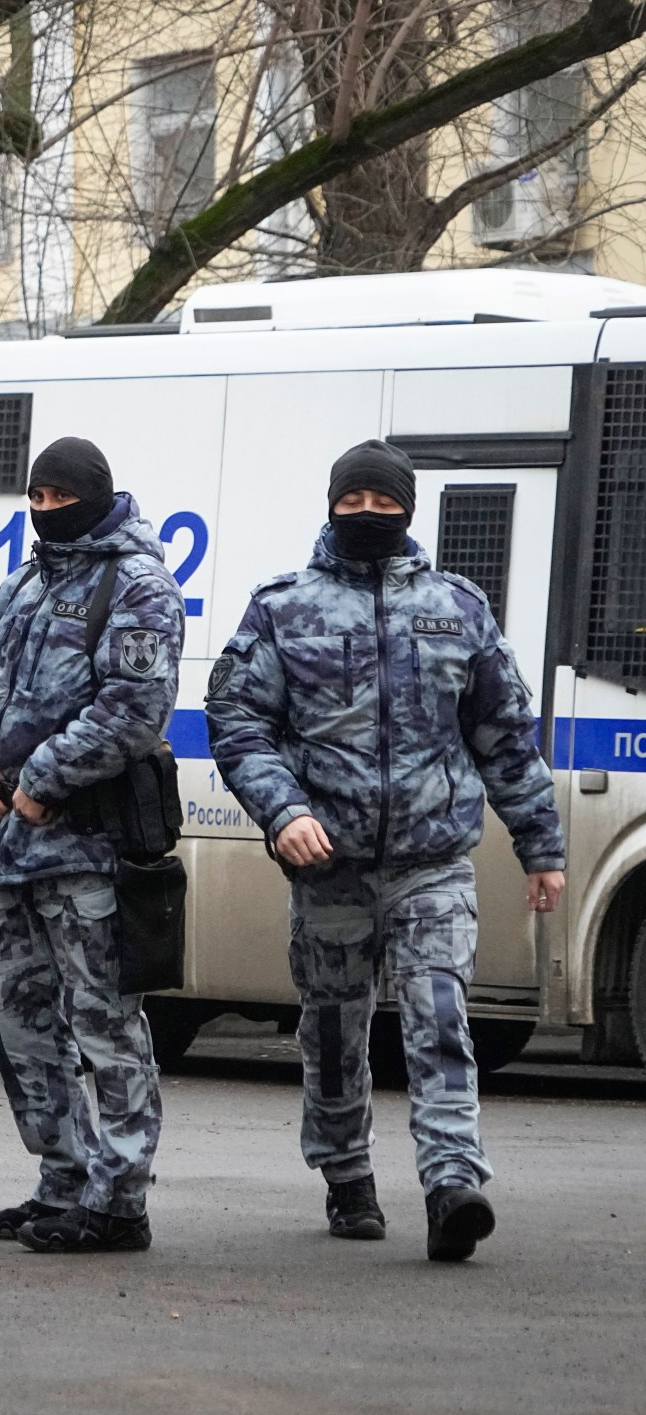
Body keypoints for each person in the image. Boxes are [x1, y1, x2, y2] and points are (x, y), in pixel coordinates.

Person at [205, 439, 565, 1263]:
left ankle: (451, 1184)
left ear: (408, 507)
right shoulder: (283, 608)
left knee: (440, 1017)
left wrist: (541, 846)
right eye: (353, 500)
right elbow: (237, 722)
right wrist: (283, 812)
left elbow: (505, 736)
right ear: (332, 504)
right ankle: (346, 1174)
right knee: (334, 1033)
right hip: (326, 868)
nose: (368, 512)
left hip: (432, 862)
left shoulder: (458, 607)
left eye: (383, 500)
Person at [0, 437, 183, 1254]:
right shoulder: (22, 583)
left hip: (90, 851)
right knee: (19, 1026)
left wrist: (42, 779)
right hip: (7, 851)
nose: (46, 511)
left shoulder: (138, 584)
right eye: (36, 498)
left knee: (105, 1026)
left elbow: (134, 709)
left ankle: (119, 1200)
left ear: (97, 496)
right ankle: (63, 1180)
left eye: (60, 498)